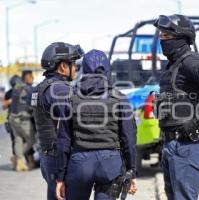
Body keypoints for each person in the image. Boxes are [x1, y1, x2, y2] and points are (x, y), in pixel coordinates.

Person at [153, 15, 199, 200]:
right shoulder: (172, 65)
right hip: (171, 143)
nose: (162, 39)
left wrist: (196, 121)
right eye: (161, 35)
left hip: (187, 144)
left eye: (166, 36)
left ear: (181, 37)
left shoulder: (190, 61)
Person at [55, 49, 137, 200]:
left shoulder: (71, 98)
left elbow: (63, 141)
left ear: (83, 69)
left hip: (80, 164)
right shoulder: (119, 98)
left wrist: (60, 177)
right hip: (110, 164)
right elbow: (129, 139)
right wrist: (132, 171)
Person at [31, 42, 84, 200]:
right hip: (59, 157)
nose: (76, 68)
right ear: (62, 66)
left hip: (49, 155)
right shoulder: (60, 89)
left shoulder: (41, 87)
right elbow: (74, 121)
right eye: (73, 64)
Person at [8, 70, 35, 171]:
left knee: (18, 139)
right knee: (31, 140)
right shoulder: (28, 89)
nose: (33, 79)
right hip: (22, 119)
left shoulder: (16, 88)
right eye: (31, 77)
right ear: (27, 77)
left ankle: (18, 160)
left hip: (12, 118)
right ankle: (18, 158)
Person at [3, 75, 22, 169]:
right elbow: (4, 106)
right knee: (14, 140)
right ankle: (16, 160)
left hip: (23, 119)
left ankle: (26, 160)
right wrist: (12, 100)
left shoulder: (23, 91)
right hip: (12, 119)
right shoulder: (9, 93)